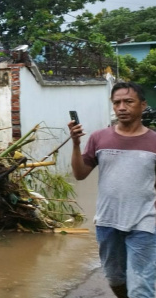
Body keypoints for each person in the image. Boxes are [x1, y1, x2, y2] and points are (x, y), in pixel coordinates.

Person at [69, 81, 156, 298]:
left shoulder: (154, 141)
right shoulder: (99, 137)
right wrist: (76, 144)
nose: (122, 107)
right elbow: (80, 174)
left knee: (142, 287)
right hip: (107, 222)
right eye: (117, 102)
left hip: (144, 222)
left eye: (128, 101)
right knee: (115, 278)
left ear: (143, 105)